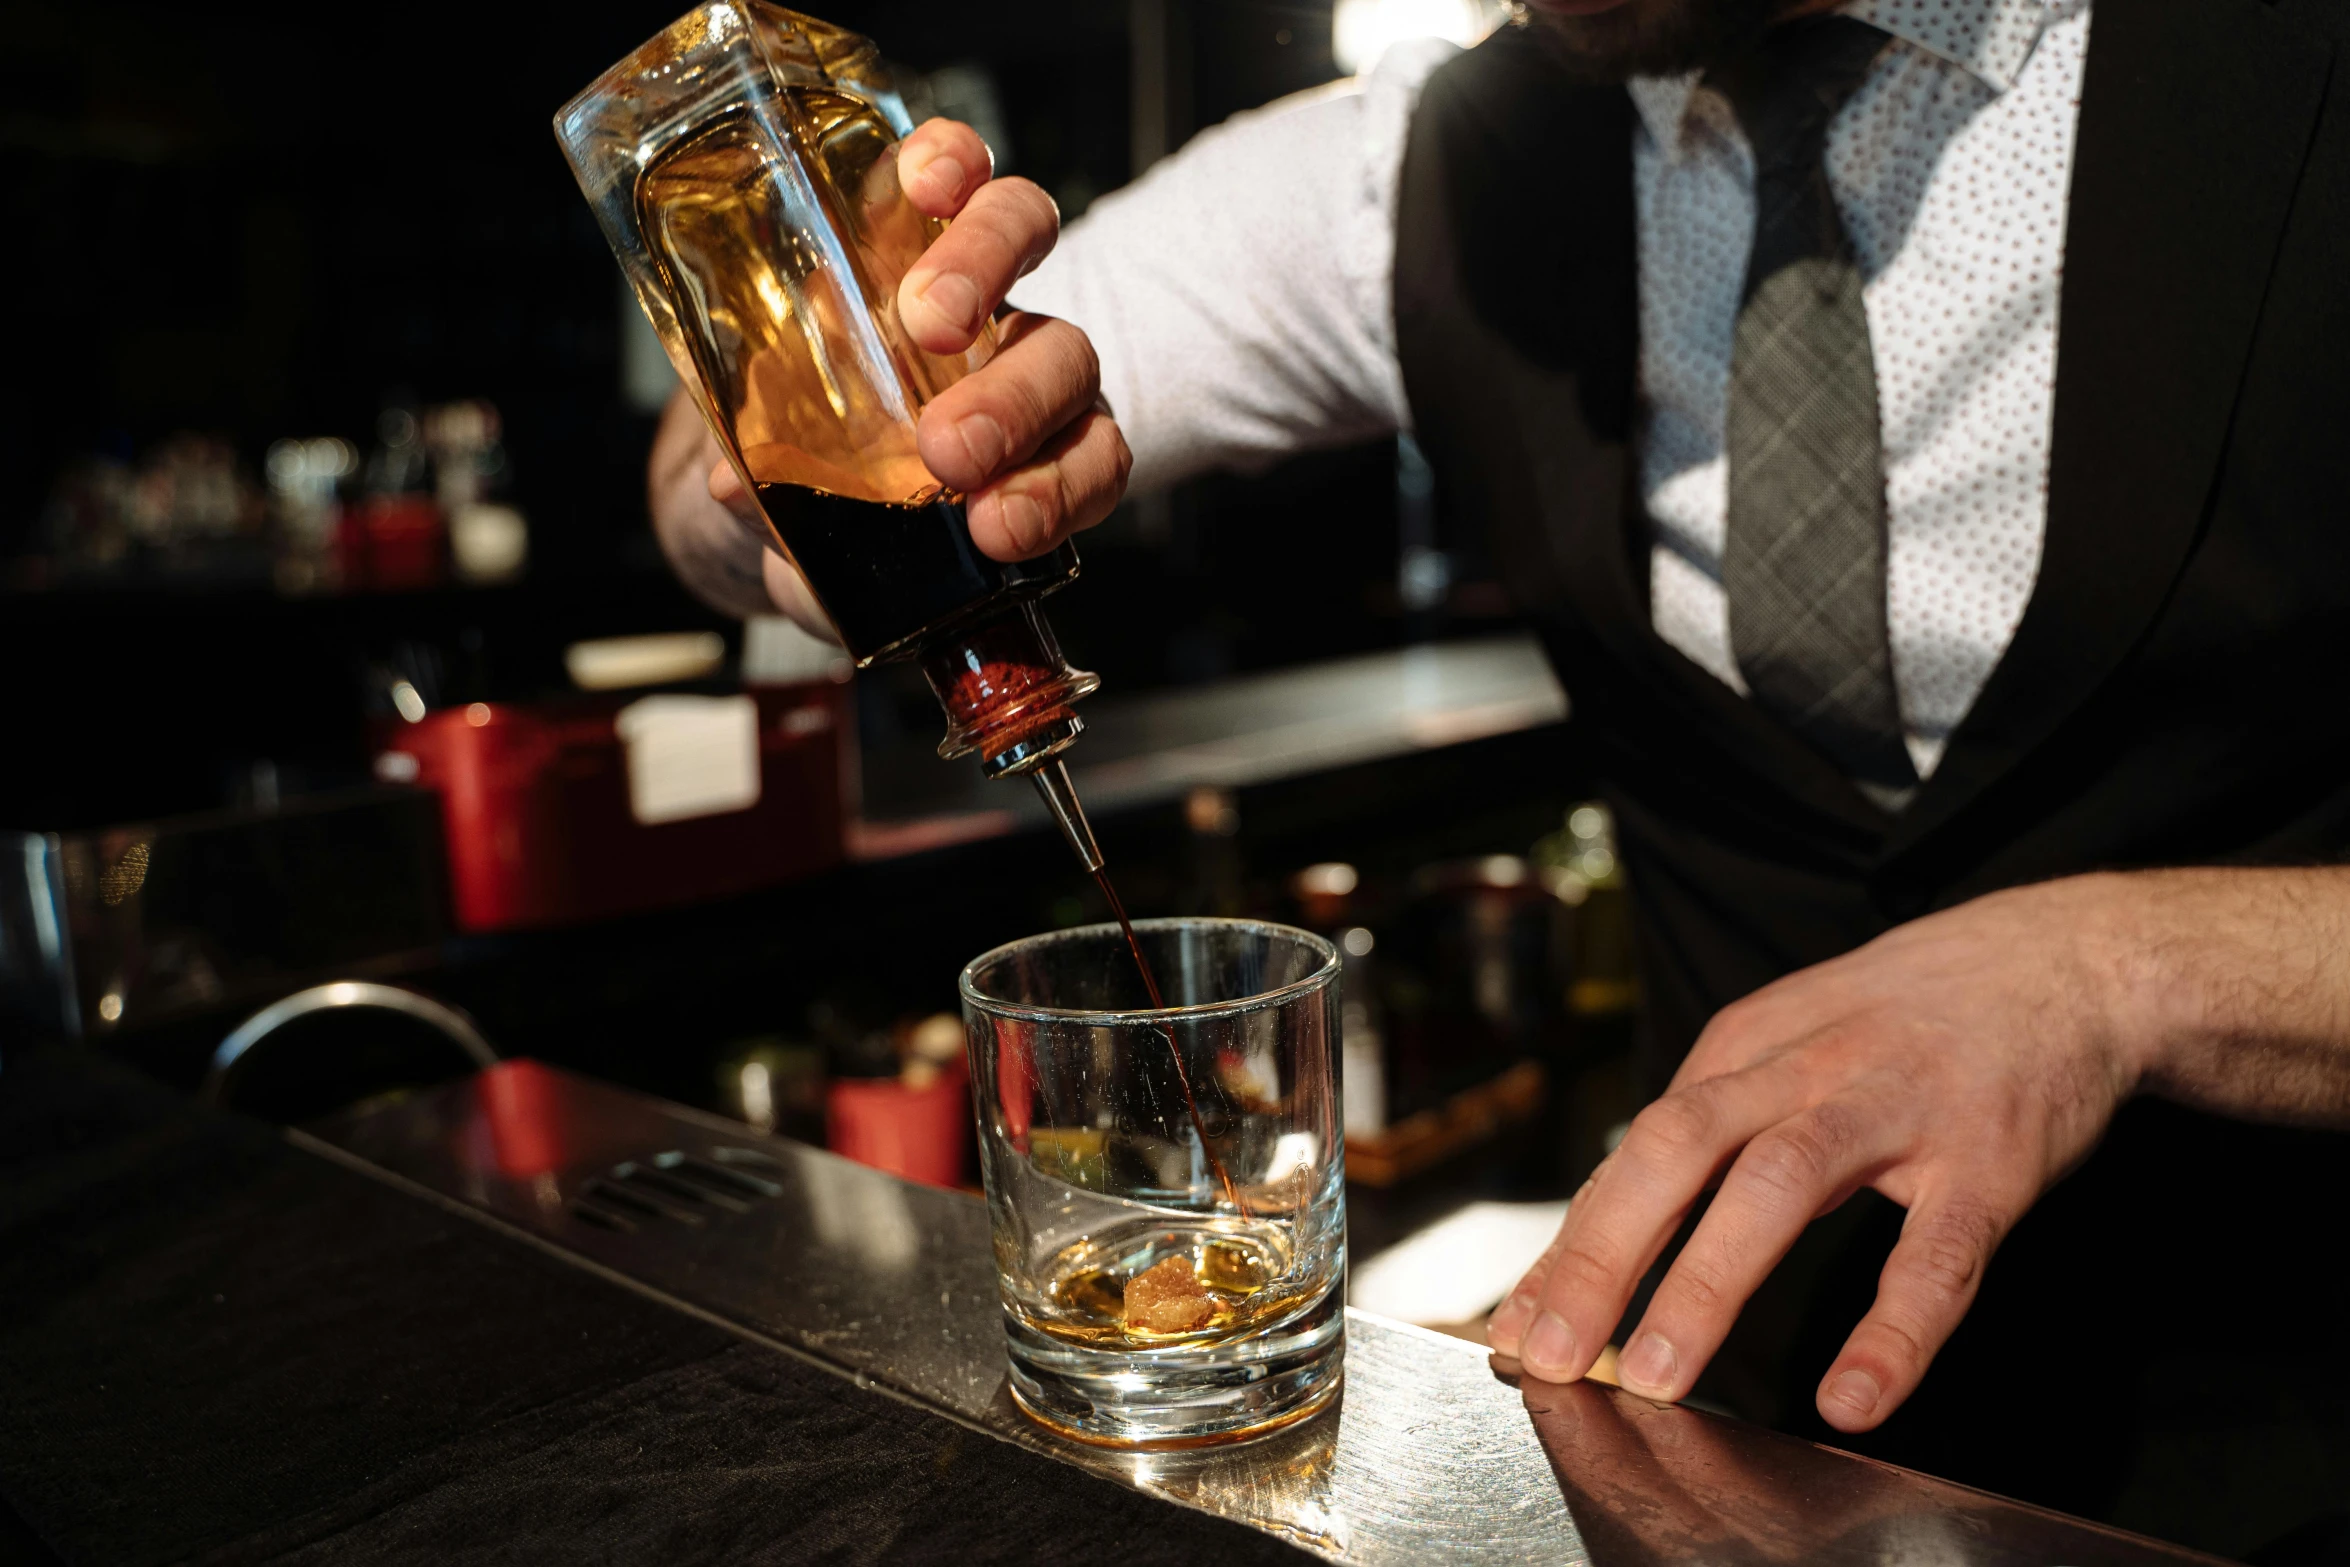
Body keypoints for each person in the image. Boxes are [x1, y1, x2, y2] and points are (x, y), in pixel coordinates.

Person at [653, 0, 2350, 1534]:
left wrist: (2123, 970)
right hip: (1742, 1465)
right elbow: (702, 493)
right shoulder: (1424, 163)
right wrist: (797, 439)